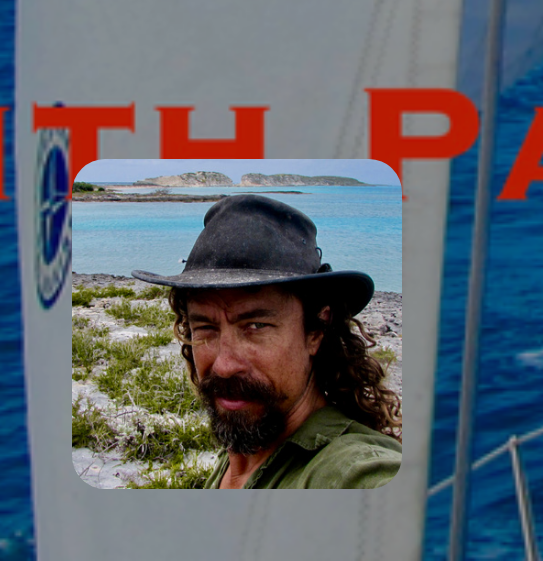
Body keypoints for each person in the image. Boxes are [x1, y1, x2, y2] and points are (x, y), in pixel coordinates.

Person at [134, 193, 401, 489]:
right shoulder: (247, 446)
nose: (224, 366)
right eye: (206, 327)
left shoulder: (351, 472)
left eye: (256, 326)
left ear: (316, 330)